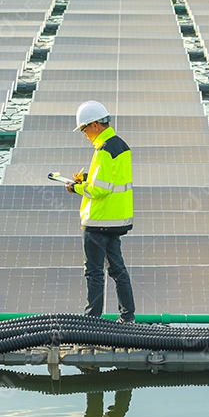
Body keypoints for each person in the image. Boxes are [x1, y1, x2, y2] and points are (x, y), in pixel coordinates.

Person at [64, 100, 136, 323]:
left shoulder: (104, 150)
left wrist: (75, 187)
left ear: (95, 125)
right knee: (118, 270)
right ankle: (127, 316)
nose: (84, 134)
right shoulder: (121, 146)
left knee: (94, 273)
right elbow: (111, 181)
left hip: (98, 221)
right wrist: (86, 178)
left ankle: (92, 321)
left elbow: (100, 189)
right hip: (116, 220)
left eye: (84, 129)